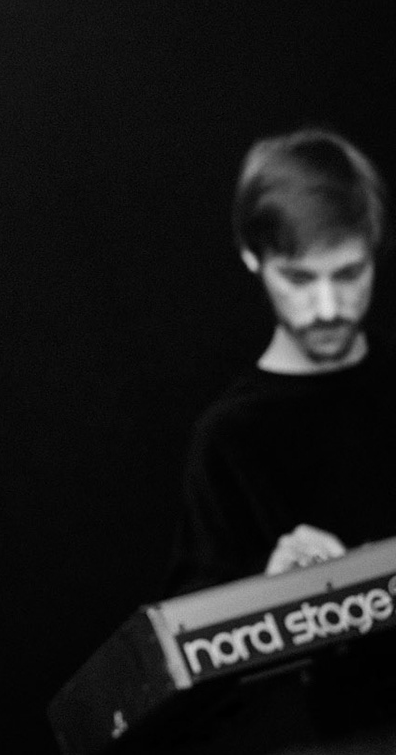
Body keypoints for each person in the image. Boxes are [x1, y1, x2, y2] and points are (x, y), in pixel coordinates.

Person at [167, 127, 394, 596]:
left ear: (375, 251)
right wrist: (272, 591)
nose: (328, 308)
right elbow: (192, 622)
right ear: (252, 257)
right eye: (299, 279)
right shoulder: (228, 439)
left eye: (349, 273)